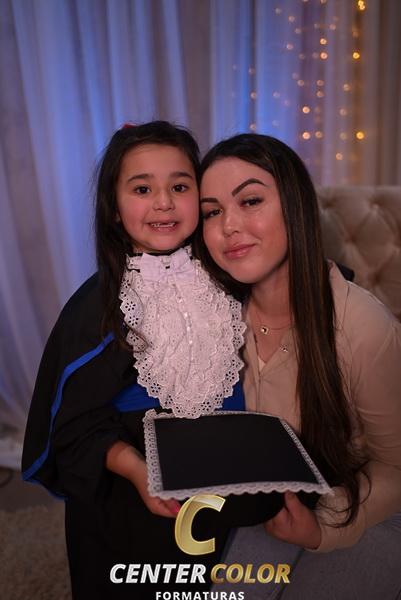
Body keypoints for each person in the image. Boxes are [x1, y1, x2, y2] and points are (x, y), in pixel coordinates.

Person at [21, 121, 247, 599]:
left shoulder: (232, 280)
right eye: (142, 189)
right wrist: (137, 472)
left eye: (179, 187)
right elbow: (75, 427)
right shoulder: (97, 308)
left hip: (225, 474)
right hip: (132, 492)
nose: (164, 202)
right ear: (114, 207)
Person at [194, 133, 401, 598]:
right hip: (273, 502)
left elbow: (396, 466)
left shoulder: (363, 326)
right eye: (211, 212)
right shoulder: (214, 318)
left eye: (250, 201)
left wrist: (322, 526)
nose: (228, 226)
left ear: (295, 206)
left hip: (374, 504)